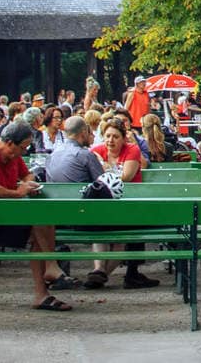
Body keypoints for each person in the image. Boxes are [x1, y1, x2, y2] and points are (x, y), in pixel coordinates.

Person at [0, 121, 72, 311]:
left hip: (6, 217)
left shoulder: (13, 156)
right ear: (9, 143)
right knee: (40, 224)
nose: (23, 153)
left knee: (44, 222)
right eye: (22, 148)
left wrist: (29, 185)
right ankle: (49, 270)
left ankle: (44, 288)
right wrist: (19, 192)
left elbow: (28, 176)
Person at [86, 117, 156, 289]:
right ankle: (98, 270)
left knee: (121, 240)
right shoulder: (96, 149)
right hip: (106, 204)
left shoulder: (131, 149)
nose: (110, 140)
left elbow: (127, 176)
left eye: (115, 137)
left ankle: (102, 274)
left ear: (123, 138)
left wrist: (103, 166)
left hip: (129, 203)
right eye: (108, 136)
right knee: (99, 231)